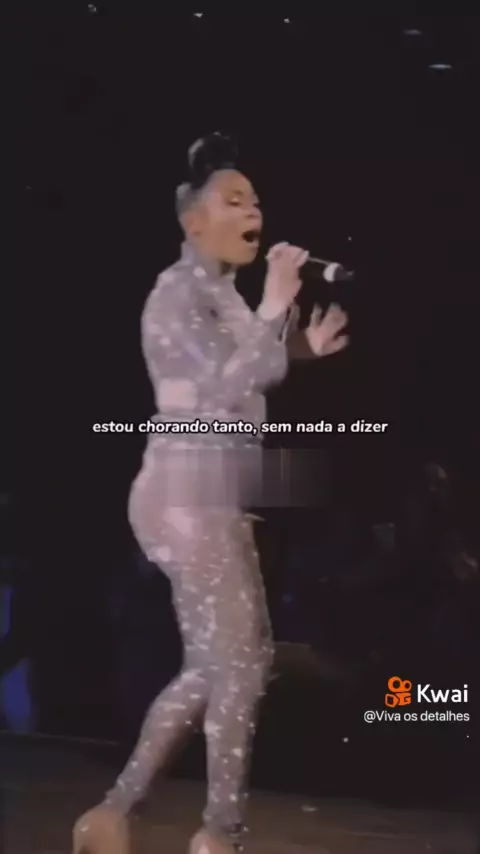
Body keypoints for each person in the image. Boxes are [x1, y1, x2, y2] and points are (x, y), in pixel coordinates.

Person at [73, 133, 349, 854]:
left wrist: (298, 346)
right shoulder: (175, 293)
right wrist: (276, 305)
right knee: (246, 664)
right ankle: (219, 833)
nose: (253, 211)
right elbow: (223, 391)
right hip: (187, 491)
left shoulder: (222, 294)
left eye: (255, 201)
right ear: (193, 222)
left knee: (216, 665)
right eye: (234, 201)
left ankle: (113, 815)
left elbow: (253, 368)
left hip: (212, 489)